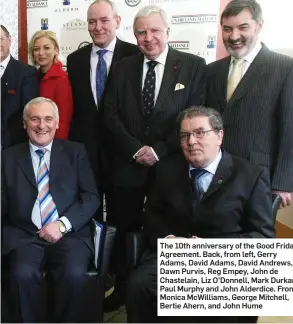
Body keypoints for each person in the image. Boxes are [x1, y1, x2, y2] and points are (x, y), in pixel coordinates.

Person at [126, 106, 275, 323]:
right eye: (185, 135)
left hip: (225, 264)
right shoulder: (166, 170)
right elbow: (152, 214)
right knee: (138, 285)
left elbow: (263, 238)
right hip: (174, 257)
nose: (191, 141)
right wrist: (168, 240)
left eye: (199, 133)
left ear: (219, 136)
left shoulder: (250, 175)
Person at [102, 4, 206, 305]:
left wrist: (158, 151)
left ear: (168, 31)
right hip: (127, 166)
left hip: (171, 167)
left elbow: (195, 117)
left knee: (169, 230)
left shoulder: (193, 66)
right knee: (124, 230)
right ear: (134, 36)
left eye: (154, 30)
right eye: (141, 32)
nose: (148, 38)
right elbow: (110, 114)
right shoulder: (122, 67)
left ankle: (171, 294)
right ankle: (124, 290)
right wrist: (135, 149)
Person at [1, 97, 100, 323]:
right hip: (25, 235)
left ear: (57, 123)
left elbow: (91, 197)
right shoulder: (7, 157)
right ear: (24, 124)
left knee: (73, 275)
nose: (41, 126)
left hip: (70, 235)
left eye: (48, 119)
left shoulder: (76, 152)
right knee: (20, 276)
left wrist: (62, 225)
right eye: (34, 119)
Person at [205, 0, 293, 209]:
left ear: (259, 26)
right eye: (227, 29)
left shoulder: (287, 68)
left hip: (259, 178)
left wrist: (282, 184)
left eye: (243, 27)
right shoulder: (212, 70)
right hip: (214, 174)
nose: (234, 36)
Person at [67, 0, 140, 222]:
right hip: (87, 152)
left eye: (104, 20)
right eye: (92, 22)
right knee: (89, 213)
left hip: (124, 151)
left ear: (117, 22)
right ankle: (92, 256)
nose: (97, 27)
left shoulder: (135, 54)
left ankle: (120, 258)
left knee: (124, 217)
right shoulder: (74, 60)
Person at [28, 30, 73, 139]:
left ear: (56, 50)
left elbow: (63, 119)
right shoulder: (30, 76)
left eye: (46, 48)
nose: (41, 53)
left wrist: (56, 146)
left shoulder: (61, 79)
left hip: (53, 142)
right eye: (36, 49)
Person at [1, 25, 39, 149]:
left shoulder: (26, 73)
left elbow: (28, 113)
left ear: (9, 40)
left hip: (13, 147)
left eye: (0, 39)